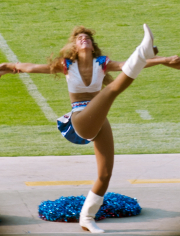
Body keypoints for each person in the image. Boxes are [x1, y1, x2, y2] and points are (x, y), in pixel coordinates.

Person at [0, 24, 180, 233]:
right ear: (75, 47)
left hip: (99, 119)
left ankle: (87, 218)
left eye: (87, 38)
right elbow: (31, 67)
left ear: (93, 46)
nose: (84, 40)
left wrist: (165, 61)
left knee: (105, 174)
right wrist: (7, 66)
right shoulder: (66, 64)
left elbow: (125, 65)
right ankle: (142, 51)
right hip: (80, 118)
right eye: (80, 38)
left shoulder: (102, 64)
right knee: (112, 90)